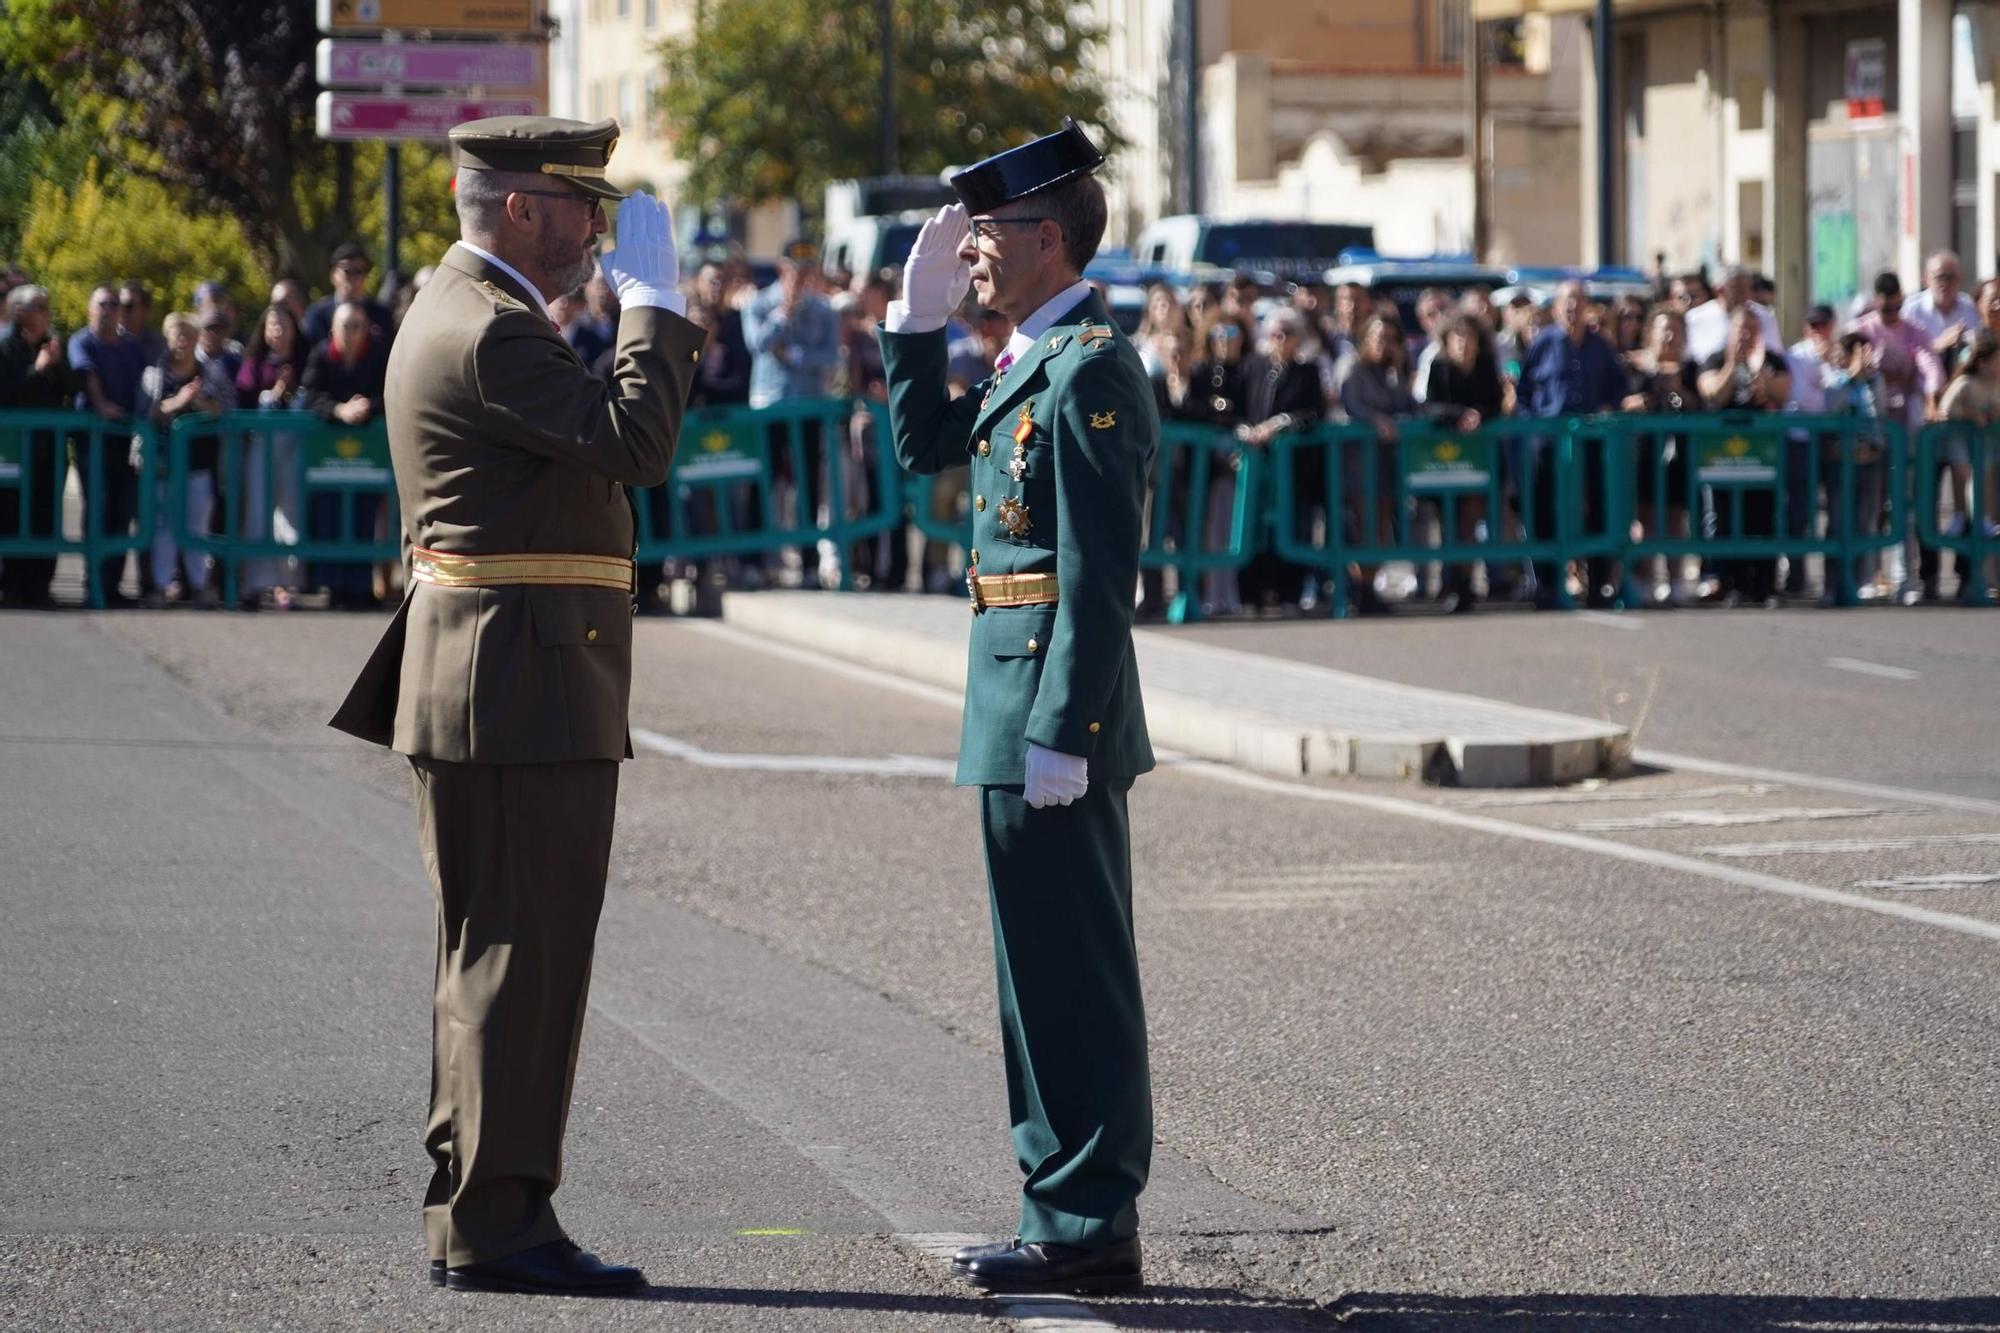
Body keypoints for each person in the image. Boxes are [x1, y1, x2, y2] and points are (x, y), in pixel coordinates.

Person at [329, 115, 700, 1297]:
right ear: (520, 207)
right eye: (582, 205)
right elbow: (634, 441)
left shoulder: (467, 311)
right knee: (518, 956)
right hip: (518, 679)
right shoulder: (489, 330)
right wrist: (657, 310)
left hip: (504, 671)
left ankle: (479, 1202)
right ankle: (498, 1219)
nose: (599, 228)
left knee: (491, 953)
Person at [878, 120, 1154, 1297]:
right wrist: (913, 324)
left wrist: (1064, 729)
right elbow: (919, 446)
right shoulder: (1027, 355)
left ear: (1047, 238)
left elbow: (1100, 571)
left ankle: (1089, 1220)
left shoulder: (1089, 364)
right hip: (1008, 702)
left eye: (985, 233)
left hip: (1047, 711)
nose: (970, 250)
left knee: (1070, 973)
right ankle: (1060, 1205)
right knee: (1026, 977)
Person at [1516, 279, 1629, 606]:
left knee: (1597, 508)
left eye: (1578, 301)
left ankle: (1597, 584)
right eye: (1566, 301)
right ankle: (1547, 585)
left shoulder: (1601, 346)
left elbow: (1617, 389)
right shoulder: (1543, 343)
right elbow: (1524, 393)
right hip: (1548, 443)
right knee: (1543, 510)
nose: (1572, 308)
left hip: (1591, 441)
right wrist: (1532, 427)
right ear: (1555, 308)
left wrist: (1610, 406)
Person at [745, 239, 841, 585]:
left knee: (808, 485)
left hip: (808, 404)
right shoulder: (758, 303)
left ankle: (809, 563)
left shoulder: (823, 309)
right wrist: (782, 315)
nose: (801, 279)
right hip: (769, 403)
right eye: (794, 272)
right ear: (781, 270)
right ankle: (755, 561)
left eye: (807, 272)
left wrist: (799, 356)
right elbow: (756, 344)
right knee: (764, 483)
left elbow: (832, 355)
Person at [1850, 271, 1945, 601]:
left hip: (1904, 432)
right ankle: (1867, 576)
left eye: (1896, 306)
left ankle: (1906, 578)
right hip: (1870, 432)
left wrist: (1930, 394)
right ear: (1876, 302)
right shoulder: (1862, 331)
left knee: (1903, 506)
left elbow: (1929, 364)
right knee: (1869, 506)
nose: (1891, 313)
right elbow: (1848, 368)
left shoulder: (1914, 332)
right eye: (1885, 308)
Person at [135, 311, 237, 605]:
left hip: (200, 462)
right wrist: (176, 403)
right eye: (176, 335)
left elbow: (227, 410)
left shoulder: (211, 373)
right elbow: (146, 412)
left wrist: (198, 401)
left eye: (188, 336)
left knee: (197, 525)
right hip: (164, 464)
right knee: (164, 525)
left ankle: (199, 584)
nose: (182, 342)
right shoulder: (153, 374)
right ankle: (161, 584)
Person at [1696, 305, 1791, 604]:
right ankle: (1728, 581)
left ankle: (1763, 584)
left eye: (1752, 329)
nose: (1746, 335)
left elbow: (1783, 392)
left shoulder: (1771, 360)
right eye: (1741, 329)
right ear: (1730, 331)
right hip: (1722, 457)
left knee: (1762, 517)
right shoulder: (1714, 358)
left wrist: (1760, 375)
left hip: (1761, 457)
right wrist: (1731, 364)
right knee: (1723, 519)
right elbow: (1712, 393)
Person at [1236, 307, 1326, 613]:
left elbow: (1314, 412)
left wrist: (1279, 424)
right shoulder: (1253, 366)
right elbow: (1235, 407)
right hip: (1254, 466)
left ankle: (1289, 594)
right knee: (1251, 529)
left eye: (1288, 333)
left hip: (1292, 469)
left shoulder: (1308, 370)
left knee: (1292, 528)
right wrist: (1244, 429)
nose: (1281, 339)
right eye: (1276, 333)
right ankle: (1251, 595)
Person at [302, 300, 391, 607]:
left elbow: (390, 392)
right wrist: (339, 410)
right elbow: (310, 396)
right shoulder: (321, 355)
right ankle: (332, 586)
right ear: (333, 330)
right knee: (330, 514)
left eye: (358, 326)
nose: (352, 332)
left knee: (364, 516)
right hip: (328, 456)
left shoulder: (378, 354)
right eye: (346, 326)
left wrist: (369, 407)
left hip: (368, 455)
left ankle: (360, 587)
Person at [69, 284, 148, 603]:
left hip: (126, 441)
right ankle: (94, 582)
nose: (108, 309)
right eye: (102, 304)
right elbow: (87, 374)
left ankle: (113, 584)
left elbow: (144, 384)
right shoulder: (81, 341)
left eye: (114, 304)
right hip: (94, 441)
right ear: (90, 309)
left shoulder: (131, 347)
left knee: (122, 511)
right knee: (98, 508)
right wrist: (101, 405)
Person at [0, 284, 78, 605]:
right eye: (40, 307)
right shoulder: (6, 350)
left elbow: (72, 387)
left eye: (47, 307)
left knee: (47, 514)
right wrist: (37, 370)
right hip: (15, 449)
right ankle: (14, 586)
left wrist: (57, 364)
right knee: (12, 513)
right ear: (21, 313)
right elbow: (6, 393)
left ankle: (41, 586)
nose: (47, 313)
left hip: (50, 448)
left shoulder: (52, 348)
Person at [1621, 307, 1703, 603]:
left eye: (1676, 331)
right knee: (1644, 518)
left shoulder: (1692, 369)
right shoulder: (1634, 365)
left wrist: (1679, 386)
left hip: (1678, 455)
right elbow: (1621, 400)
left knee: (1674, 518)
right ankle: (1644, 578)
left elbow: (1701, 404)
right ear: (1651, 333)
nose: (1669, 337)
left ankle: (1676, 579)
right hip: (1642, 453)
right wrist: (1639, 399)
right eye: (1664, 330)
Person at [235, 303, 311, 608]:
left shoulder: (304, 362)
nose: (278, 331)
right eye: (272, 325)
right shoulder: (254, 363)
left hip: (295, 443)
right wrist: (272, 396)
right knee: (258, 509)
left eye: (283, 325)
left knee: (291, 511)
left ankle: (289, 582)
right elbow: (243, 399)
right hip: (261, 443)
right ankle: (257, 580)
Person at [302, 241, 394, 349]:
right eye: (347, 271)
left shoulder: (382, 316)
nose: (352, 278)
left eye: (358, 271)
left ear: (366, 277)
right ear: (333, 275)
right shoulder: (317, 315)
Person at [1684, 265, 1781, 365]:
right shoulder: (1694, 319)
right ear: (1719, 290)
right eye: (1738, 289)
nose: (1746, 295)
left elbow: (1776, 357)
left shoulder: (1765, 317)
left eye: (1748, 288)